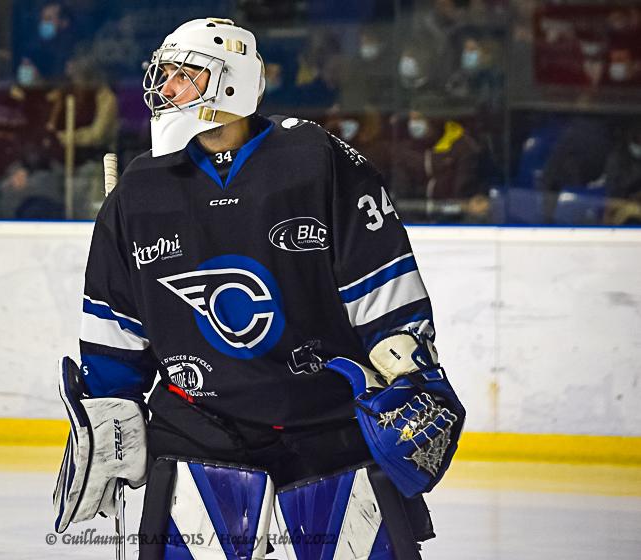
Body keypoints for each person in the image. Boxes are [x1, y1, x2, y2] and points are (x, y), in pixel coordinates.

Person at [54, 19, 463, 560]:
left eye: (186, 75)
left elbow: (382, 283)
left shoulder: (317, 159)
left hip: (326, 422)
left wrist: (412, 373)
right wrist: (109, 410)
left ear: (233, 81)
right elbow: (116, 320)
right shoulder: (139, 189)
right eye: (164, 74)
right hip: (198, 427)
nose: (166, 88)